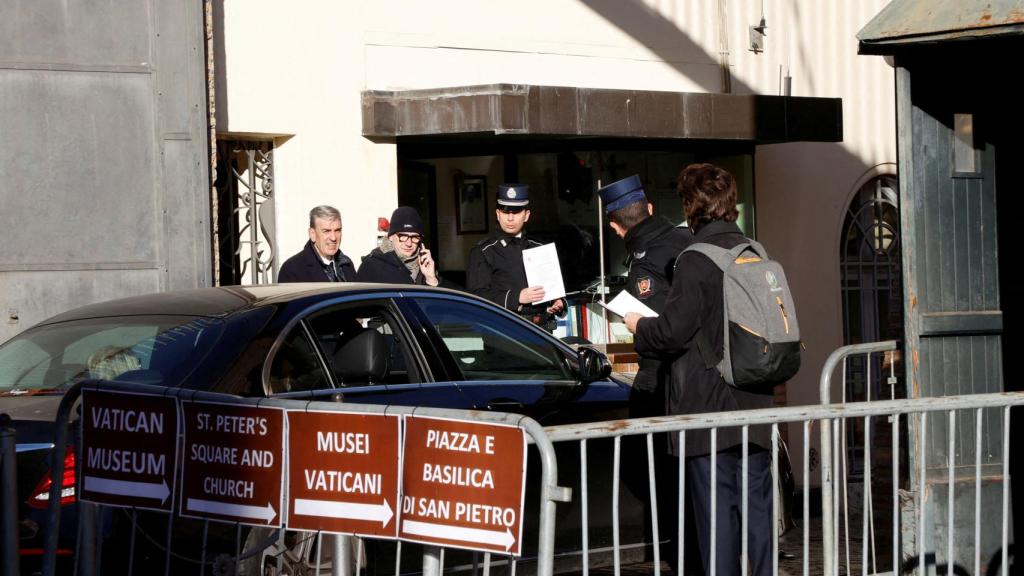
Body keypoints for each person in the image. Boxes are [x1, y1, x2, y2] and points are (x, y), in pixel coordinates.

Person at [625, 163, 774, 576]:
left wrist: (639, 326)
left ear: (690, 208)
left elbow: (672, 332)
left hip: (709, 411)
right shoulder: (754, 252)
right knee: (758, 518)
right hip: (757, 406)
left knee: (717, 525)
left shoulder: (695, 259)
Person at [599, 174, 694, 571]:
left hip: (663, 379)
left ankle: (676, 554)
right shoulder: (684, 241)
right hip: (693, 378)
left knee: (662, 473)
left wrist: (635, 322)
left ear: (614, 226)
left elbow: (663, 330)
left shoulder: (647, 259)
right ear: (650, 208)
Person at [467, 183, 565, 329]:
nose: (510, 218)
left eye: (516, 212)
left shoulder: (539, 247)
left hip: (541, 331)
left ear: (526, 215)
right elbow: (476, 298)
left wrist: (558, 301)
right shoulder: (483, 251)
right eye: (506, 212)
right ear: (498, 214)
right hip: (503, 333)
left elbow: (551, 287)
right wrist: (517, 297)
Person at [356, 206, 440, 286]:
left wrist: (431, 279)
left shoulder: (426, 265)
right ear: (391, 237)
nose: (409, 243)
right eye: (403, 236)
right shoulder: (371, 266)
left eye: (414, 237)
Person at [278, 205, 356, 283]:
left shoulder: (346, 265)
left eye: (337, 230)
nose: (333, 238)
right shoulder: (292, 270)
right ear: (312, 234)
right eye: (326, 231)